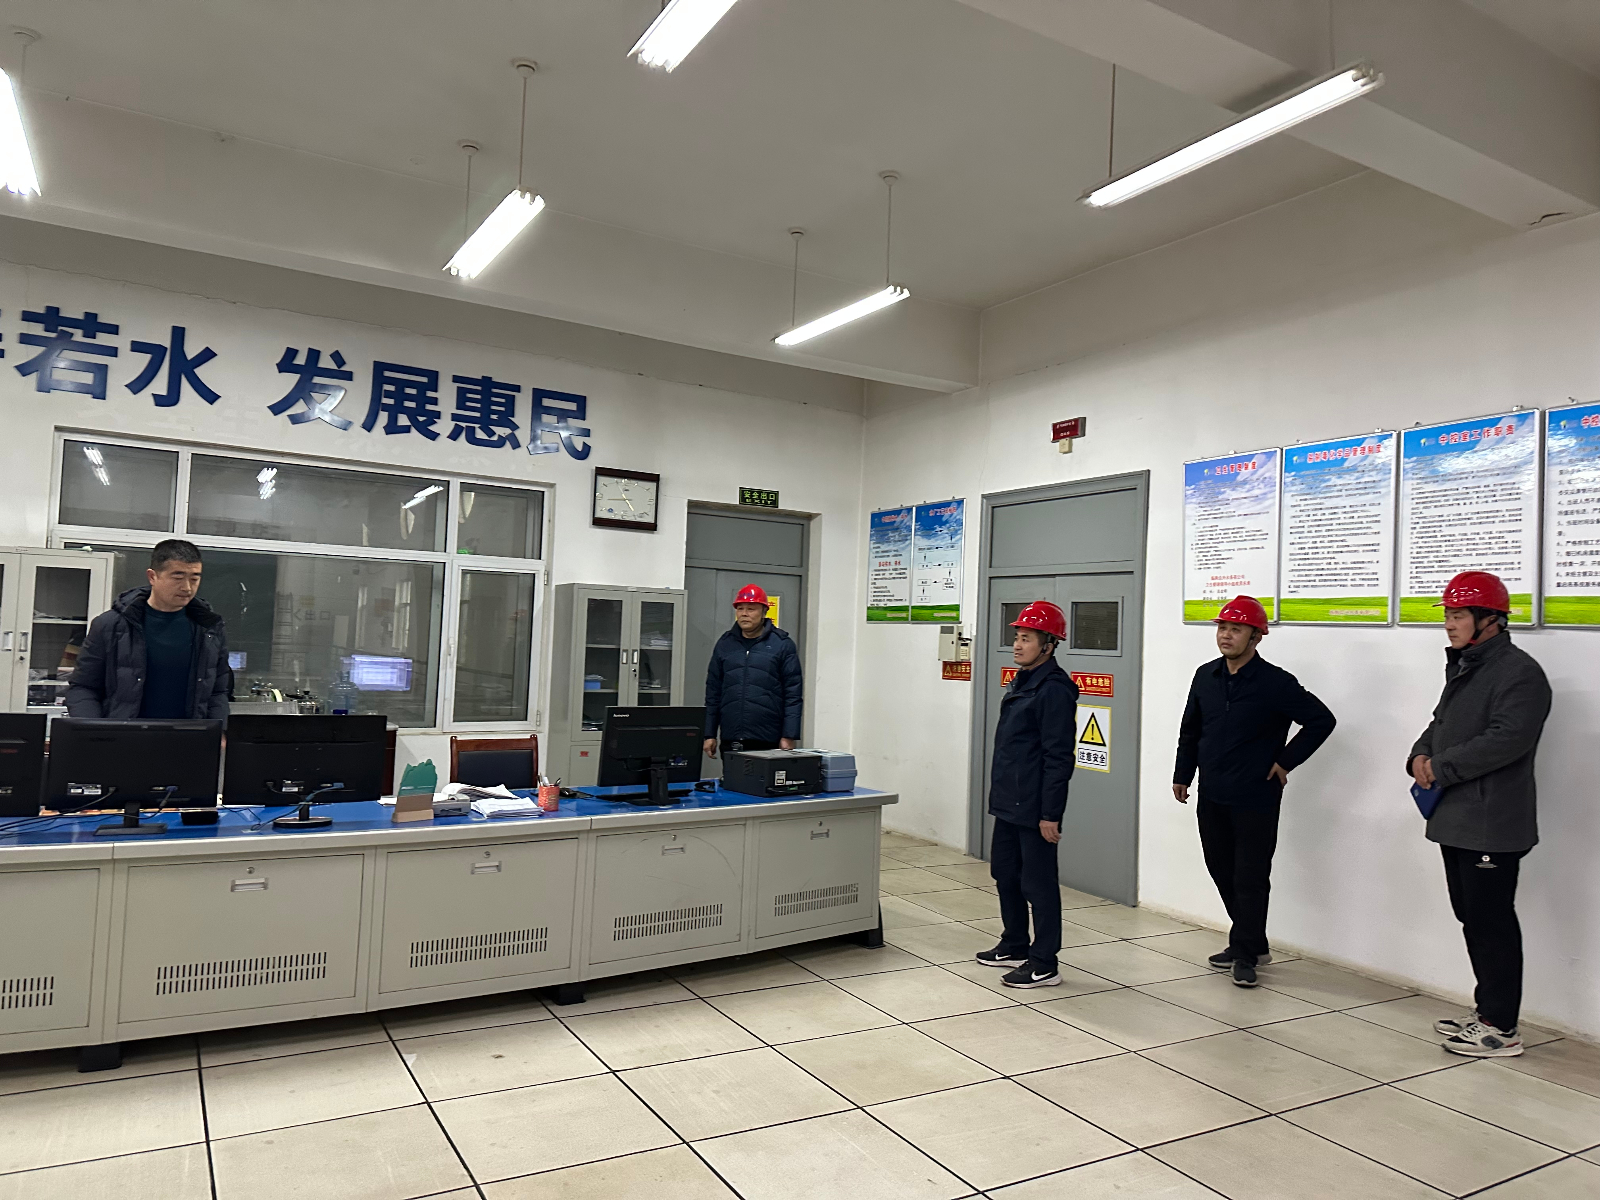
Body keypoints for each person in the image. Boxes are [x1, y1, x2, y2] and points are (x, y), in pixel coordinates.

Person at [1408, 571, 1551, 1058]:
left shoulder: (1519, 673)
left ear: (1490, 619)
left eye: (1458, 615)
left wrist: (1441, 767)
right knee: (1471, 916)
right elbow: (1440, 722)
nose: (1449, 624)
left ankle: (1501, 1027)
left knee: (1491, 922)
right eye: (1448, 615)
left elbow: (1507, 740)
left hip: (1492, 822)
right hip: (1458, 816)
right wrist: (1419, 755)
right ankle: (1487, 1010)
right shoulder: (1466, 666)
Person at [1173, 596, 1335, 988]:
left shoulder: (1275, 682)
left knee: (1250, 876)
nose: (1226, 635)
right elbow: (1191, 729)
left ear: (1256, 636)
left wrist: (1286, 761)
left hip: (1256, 796)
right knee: (1220, 868)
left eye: (1236, 629)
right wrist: (1183, 774)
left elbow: (1321, 720)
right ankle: (1253, 941)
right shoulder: (1205, 676)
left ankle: (1245, 953)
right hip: (1213, 791)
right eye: (1222, 628)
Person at [976, 600, 1079, 989]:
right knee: (1005, 873)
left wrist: (1051, 813)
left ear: (1048, 645)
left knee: (1038, 883)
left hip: (1034, 806)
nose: (1018, 645)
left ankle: (1044, 962)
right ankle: (1015, 942)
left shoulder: (1054, 690)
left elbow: (1058, 757)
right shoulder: (1023, 680)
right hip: (1009, 800)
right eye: (1017, 637)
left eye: (1027, 638)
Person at [65, 540, 232, 720]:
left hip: (191, 734)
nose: (187, 587)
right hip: (125, 734)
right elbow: (83, 688)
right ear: (152, 577)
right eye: (178, 578)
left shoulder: (209, 628)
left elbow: (218, 692)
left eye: (194, 579)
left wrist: (218, 729)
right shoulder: (110, 626)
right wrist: (94, 730)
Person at [702, 584, 803, 758]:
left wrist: (789, 735)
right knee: (732, 776)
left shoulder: (782, 644)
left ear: (764, 612)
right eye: (740, 608)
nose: (744, 613)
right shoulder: (725, 644)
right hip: (731, 736)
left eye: (751, 609)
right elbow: (713, 692)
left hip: (768, 738)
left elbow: (793, 694)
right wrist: (709, 733)